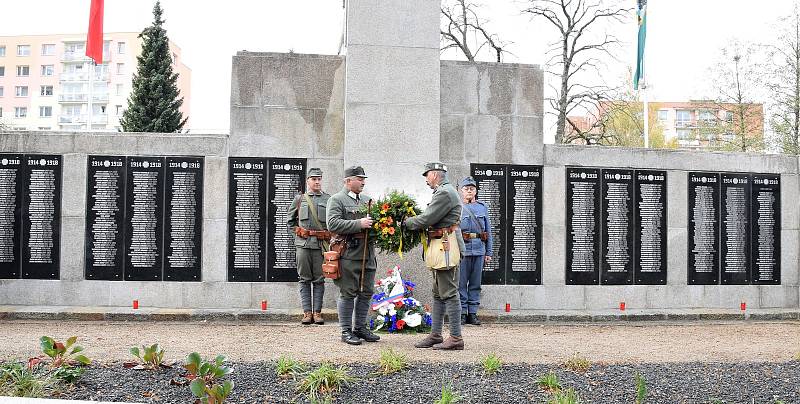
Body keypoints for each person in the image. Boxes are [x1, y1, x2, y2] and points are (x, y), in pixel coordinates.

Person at [404, 162, 466, 350]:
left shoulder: (444, 193)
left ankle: (456, 338)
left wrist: (407, 223)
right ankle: (436, 335)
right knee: (438, 293)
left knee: (449, 293)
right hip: (441, 245)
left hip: (446, 246)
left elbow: (427, 219)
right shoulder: (444, 192)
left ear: (435, 175)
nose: (425, 180)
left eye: (426, 175)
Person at [326, 166, 381, 345]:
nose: (363, 182)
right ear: (348, 181)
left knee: (366, 292)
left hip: (368, 253)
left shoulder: (367, 200)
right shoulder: (336, 200)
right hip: (348, 254)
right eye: (359, 178)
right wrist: (359, 223)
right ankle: (346, 331)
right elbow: (332, 224)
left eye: (364, 179)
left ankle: (360, 328)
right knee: (348, 292)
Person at [287, 167, 331, 325]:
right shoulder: (299, 200)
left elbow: (333, 222)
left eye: (319, 178)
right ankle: (307, 313)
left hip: (321, 245)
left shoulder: (328, 199)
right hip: (303, 245)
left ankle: (317, 313)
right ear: (308, 181)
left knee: (319, 279)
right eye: (314, 179)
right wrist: (298, 237)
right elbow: (290, 222)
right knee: (304, 279)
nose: (317, 181)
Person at [458, 176, 492, 326]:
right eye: (466, 189)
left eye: (472, 189)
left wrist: (489, 252)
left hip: (479, 249)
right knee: (461, 283)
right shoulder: (458, 208)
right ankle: (462, 313)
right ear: (461, 191)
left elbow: (488, 231)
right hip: (463, 250)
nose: (469, 191)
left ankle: (473, 313)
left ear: (476, 191)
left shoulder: (482, 207)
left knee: (476, 283)